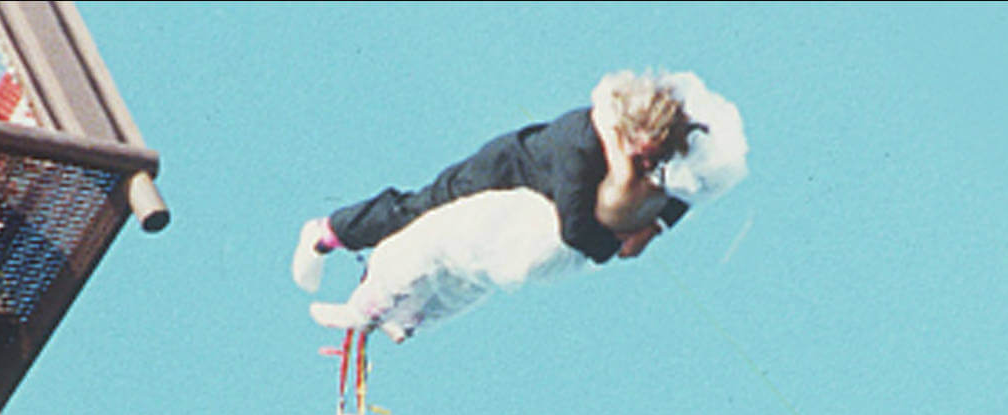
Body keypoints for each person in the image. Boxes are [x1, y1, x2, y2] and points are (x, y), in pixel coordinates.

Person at [291, 68, 748, 342]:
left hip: (530, 202)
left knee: (462, 268)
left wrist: (656, 227)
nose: (648, 164)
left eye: (655, 157)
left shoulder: (655, 156)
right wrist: (617, 246)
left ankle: (407, 310)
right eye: (642, 154)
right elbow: (574, 230)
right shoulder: (580, 149)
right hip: (504, 172)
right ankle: (327, 233)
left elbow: (680, 196)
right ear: (626, 134)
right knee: (416, 214)